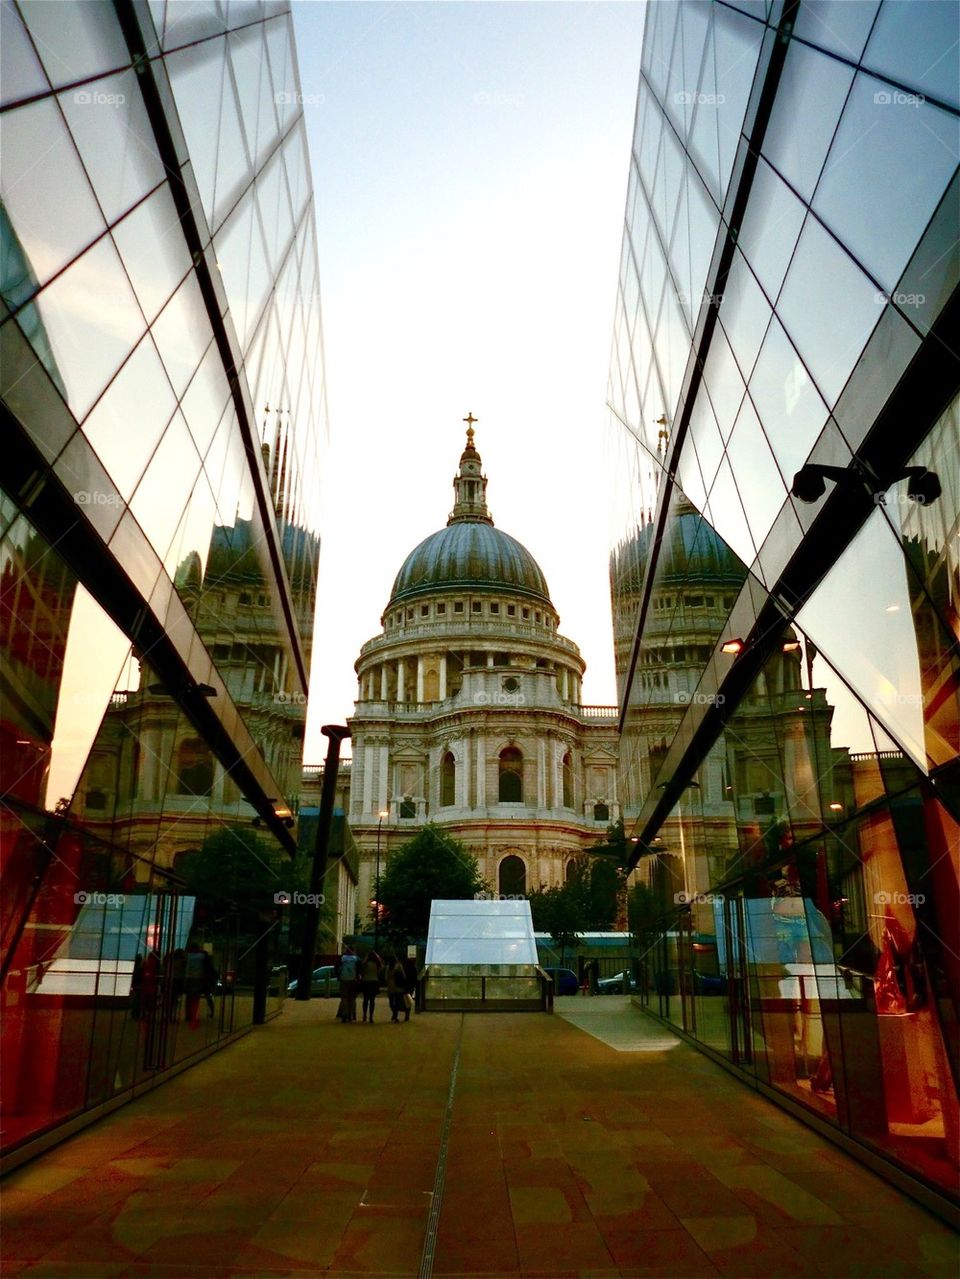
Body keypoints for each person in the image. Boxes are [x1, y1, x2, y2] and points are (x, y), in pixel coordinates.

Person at [336, 945, 359, 1022]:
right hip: (353, 980)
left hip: (344, 979)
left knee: (344, 998)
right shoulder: (356, 959)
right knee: (352, 998)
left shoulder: (342, 958)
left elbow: (336, 968)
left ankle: (344, 1015)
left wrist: (338, 977)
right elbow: (360, 968)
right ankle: (351, 1015)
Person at [360, 948, 382, 1022]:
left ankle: (364, 1015)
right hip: (374, 982)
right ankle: (371, 1017)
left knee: (365, 1000)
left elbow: (362, 968)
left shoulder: (366, 964)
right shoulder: (377, 964)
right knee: (372, 1000)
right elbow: (379, 974)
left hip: (366, 981)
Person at [386, 955, 406, 1022]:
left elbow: (385, 977)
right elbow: (403, 975)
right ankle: (395, 1015)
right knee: (397, 1001)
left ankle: (394, 1013)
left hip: (390, 985)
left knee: (391, 1001)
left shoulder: (388, 967)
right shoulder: (399, 966)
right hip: (398, 985)